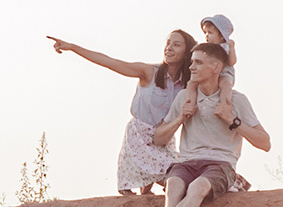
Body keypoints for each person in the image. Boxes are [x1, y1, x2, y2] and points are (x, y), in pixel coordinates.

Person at [149, 42, 268, 207]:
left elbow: (265, 143)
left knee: (198, 186)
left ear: (216, 67)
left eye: (198, 62)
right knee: (174, 183)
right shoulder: (185, 97)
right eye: (192, 62)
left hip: (220, 163)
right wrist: (180, 119)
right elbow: (158, 138)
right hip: (186, 161)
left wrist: (232, 121)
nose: (191, 67)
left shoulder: (236, 100)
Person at [46, 29, 196, 194]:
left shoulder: (188, 84)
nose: (169, 48)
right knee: (175, 181)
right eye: (168, 43)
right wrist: (73, 47)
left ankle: (146, 188)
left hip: (164, 137)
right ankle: (143, 188)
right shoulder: (149, 72)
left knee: (182, 173)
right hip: (140, 135)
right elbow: (109, 62)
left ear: (186, 52)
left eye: (176, 45)